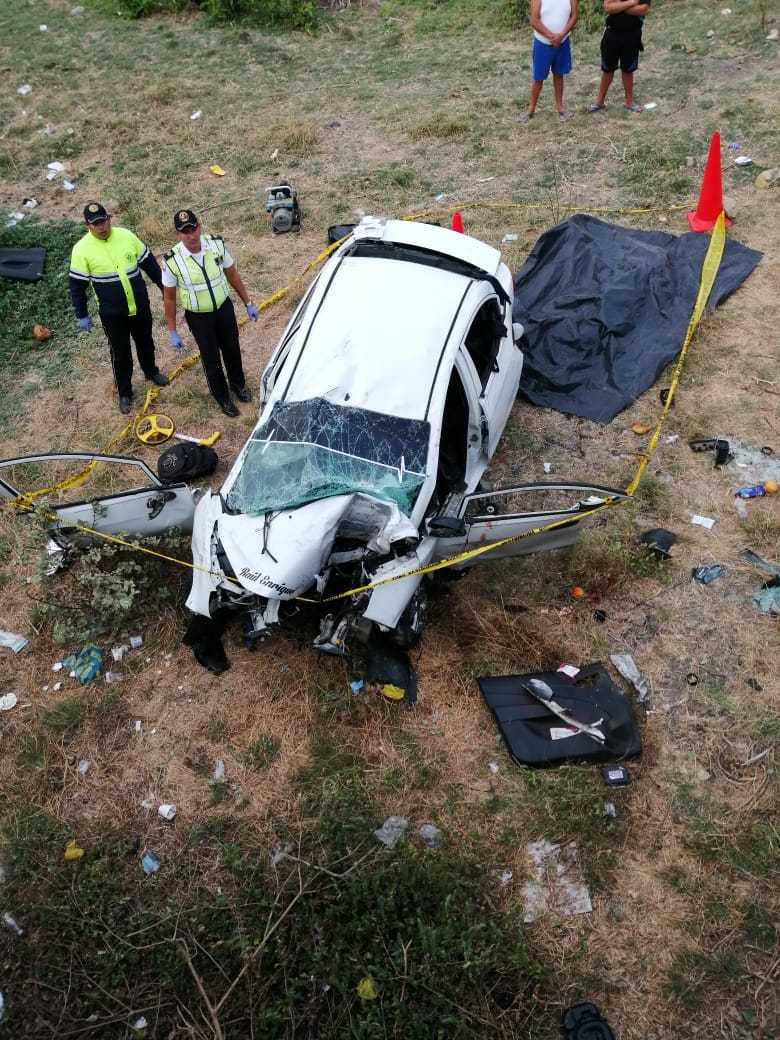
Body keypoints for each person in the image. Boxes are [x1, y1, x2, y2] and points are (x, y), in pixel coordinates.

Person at [69, 202, 168, 414]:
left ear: (109, 218)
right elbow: (77, 286)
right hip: (112, 315)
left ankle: (151, 372)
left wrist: (164, 288)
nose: (102, 227)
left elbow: (149, 263)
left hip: (140, 306)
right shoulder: (81, 250)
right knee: (120, 354)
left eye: (103, 221)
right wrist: (82, 314)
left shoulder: (126, 236)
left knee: (146, 342)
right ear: (88, 225)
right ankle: (125, 392)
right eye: (96, 224)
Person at [162, 210, 257, 417]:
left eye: (193, 228)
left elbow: (232, 273)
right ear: (178, 234)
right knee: (211, 358)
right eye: (185, 231)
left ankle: (238, 386)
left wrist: (247, 302)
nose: (191, 235)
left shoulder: (216, 245)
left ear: (199, 225)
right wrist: (172, 330)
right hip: (199, 317)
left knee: (232, 348)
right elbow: (169, 297)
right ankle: (222, 397)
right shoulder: (172, 261)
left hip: (223, 309)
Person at [588, 0, 651, 114]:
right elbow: (608, 7)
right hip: (612, 34)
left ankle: (629, 103)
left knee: (628, 70)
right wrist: (632, 2)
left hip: (632, 35)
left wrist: (618, 6)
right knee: (607, 69)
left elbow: (643, 9)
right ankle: (599, 102)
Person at [523, 0, 578, 121]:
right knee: (538, 78)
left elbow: (574, 16)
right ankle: (531, 110)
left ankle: (560, 108)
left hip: (562, 42)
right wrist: (551, 37)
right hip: (542, 43)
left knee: (559, 74)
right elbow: (534, 20)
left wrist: (561, 35)